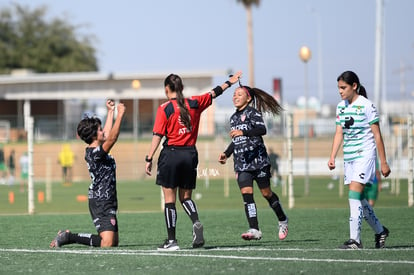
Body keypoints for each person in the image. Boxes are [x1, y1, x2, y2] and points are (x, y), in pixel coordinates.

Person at [145, 72, 242, 251]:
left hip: (171, 155)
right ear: (181, 88)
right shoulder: (195, 103)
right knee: (186, 197)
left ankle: (172, 241)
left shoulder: (164, 108)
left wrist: (149, 157)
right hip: (190, 154)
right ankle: (196, 221)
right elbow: (214, 92)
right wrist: (230, 82)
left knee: (169, 200)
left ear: (167, 89)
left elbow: (157, 135)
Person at [218, 80, 288, 242]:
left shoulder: (253, 113)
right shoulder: (233, 118)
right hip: (242, 164)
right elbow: (236, 140)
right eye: (234, 94)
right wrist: (226, 153)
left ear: (248, 98)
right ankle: (255, 229)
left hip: (259, 162)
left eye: (239, 94)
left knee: (266, 193)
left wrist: (243, 131)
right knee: (247, 194)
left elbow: (261, 130)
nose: (235, 96)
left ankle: (282, 219)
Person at [328, 71, 391, 249]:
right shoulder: (341, 107)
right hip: (349, 157)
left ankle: (355, 240)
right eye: (338, 88)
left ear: (354, 86)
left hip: (365, 155)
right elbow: (339, 132)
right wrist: (332, 156)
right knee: (359, 199)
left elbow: (377, 136)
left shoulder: (367, 105)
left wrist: (384, 162)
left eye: (343, 87)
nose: (340, 91)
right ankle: (380, 230)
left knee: (353, 194)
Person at [50, 99, 126, 248]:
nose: (102, 131)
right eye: (99, 129)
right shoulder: (94, 153)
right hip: (100, 201)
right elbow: (112, 138)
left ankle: (68, 236)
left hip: (109, 199)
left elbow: (107, 135)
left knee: (112, 243)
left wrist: (110, 112)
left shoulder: (98, 150)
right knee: (107, 243)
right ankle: (68, 237)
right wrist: (120, 114)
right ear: (93, 135)